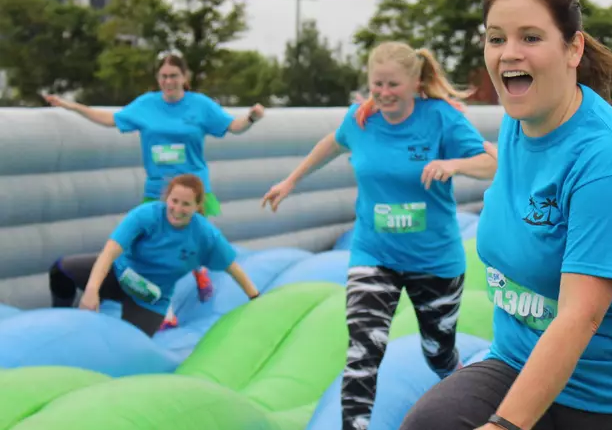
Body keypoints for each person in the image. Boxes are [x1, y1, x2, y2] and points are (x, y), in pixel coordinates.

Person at [400, 0, 612, 430]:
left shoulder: (606, 158)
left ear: (573, 48)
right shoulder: (518, 122)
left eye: (531, 37)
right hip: (519, 359)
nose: (509, 53)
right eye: (496, 39)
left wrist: (503, 426)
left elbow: (579, 316)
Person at [260, 40, 497, 430]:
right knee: (363, 351)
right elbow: (331, 144)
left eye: (392, 85)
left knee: (438, 353)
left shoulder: (441, 118)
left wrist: (452, 164)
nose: (383, 94)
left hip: (434, 258)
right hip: (375, 254)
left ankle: (470, 406)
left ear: (415, 81)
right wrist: (291, 181)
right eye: (377, 86)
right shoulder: (361, 119)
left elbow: (491, 163)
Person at [44, 53, 265, 330]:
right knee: (152, 247)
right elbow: (110, 119)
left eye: (174, 76)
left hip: (192, 190)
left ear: (185, 78)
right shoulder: (146, 105)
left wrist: (251, 118)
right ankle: (170, 299)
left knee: (187, 240)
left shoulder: (200, 106)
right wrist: (71, 106)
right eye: (163, 76)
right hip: (160, 190)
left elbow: (232, 126)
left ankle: (199, 271)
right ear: (158, 79)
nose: (168, 81)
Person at [48, 174, 260, 337]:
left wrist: (255, 299)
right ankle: (59, 315)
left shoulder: (205, 235)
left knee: (125, 346)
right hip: (118, 275)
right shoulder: (147, 215)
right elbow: (108, 253)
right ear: (167, 198)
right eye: (174, 200)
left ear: (197, 207)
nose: (177, 209)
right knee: (60, 270)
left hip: (149, 299)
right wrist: (92, 291)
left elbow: (233, 267)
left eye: (186, 204)